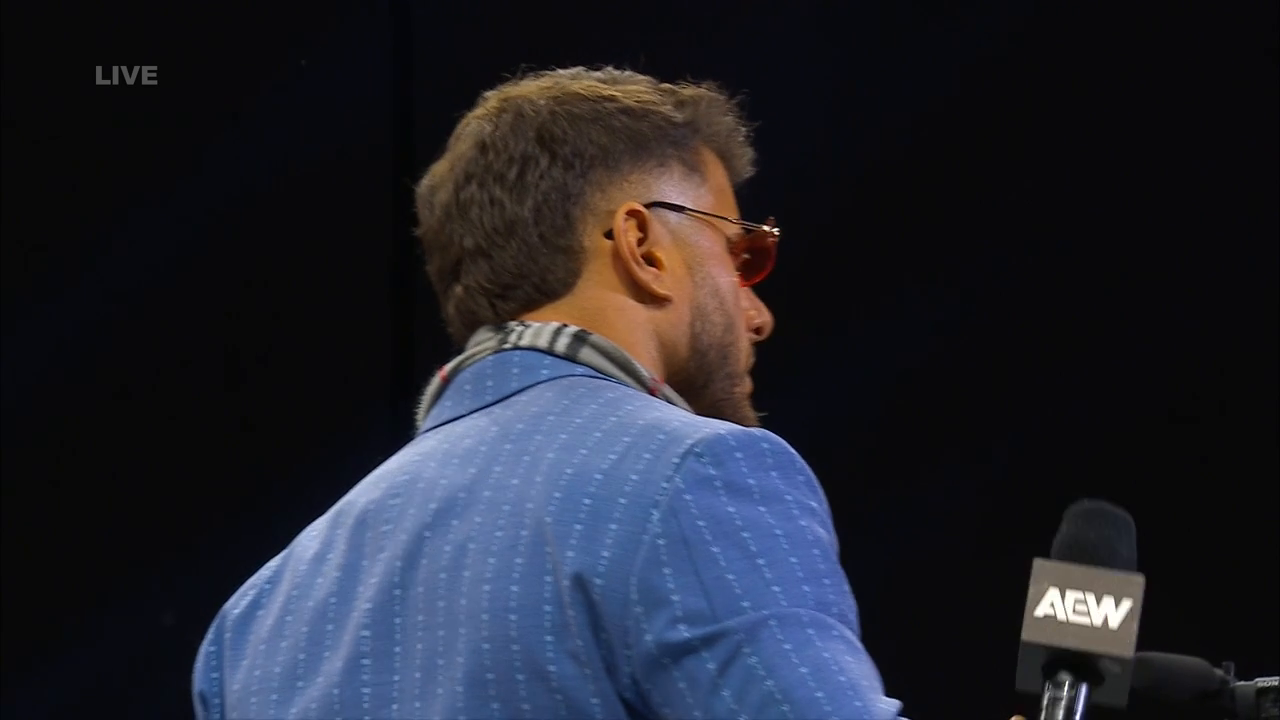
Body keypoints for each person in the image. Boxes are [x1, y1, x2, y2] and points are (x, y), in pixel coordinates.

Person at [192, 66, 907, 719]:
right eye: (740, 253)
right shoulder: (694, 477)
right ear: (645, 248)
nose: (759, 314)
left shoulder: (257, 618)